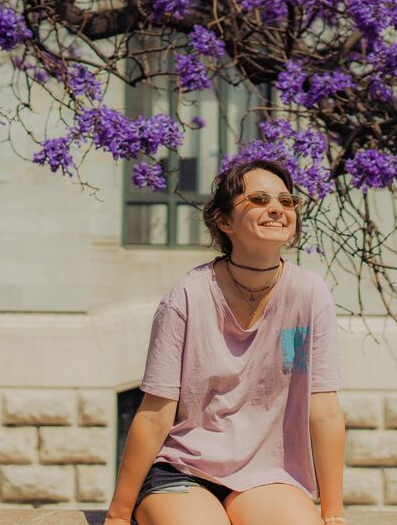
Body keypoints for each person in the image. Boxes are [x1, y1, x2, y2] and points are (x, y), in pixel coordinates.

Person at [104, 159, 347, 525]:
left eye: (286, 201)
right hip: (184, 470)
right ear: (224, 221)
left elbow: (324, 408)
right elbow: (155, 412)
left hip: (269, 475)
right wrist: (119, 515)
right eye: (260, 199)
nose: (278, 209)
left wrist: (333, 514)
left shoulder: (308, 294)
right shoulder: (189, 295)